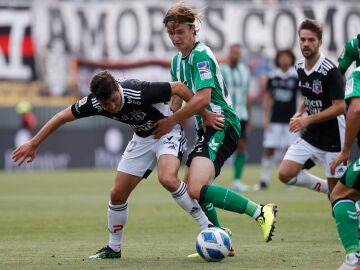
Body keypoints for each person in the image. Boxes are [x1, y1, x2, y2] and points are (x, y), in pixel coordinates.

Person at [12, 71, 222, 259]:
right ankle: (114, 249)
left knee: (166, 178)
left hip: (167, 131)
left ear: (117, 87)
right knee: (117, 194)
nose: (112, 107)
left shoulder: (138, 91)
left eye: (114, 100)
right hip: (141, 139)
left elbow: (178, 88)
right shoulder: (93, 103)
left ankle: (209, 227)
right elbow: (61, 116)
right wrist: (33, 143)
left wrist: (204, 115)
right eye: (106, 105)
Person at [153, 2, 277, 247]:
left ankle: (260, 212)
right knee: (192, 189)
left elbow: (203, 98)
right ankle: (221, 239)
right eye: (171, 33)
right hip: (206, 129)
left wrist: (170, 122)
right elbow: (175, 100)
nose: (175, 38)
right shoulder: (177, 62)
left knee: (196, 188)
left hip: (222, 124)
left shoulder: (201, 55)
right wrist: (154, 118)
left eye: (180, 32)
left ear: (192, 30)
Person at [278, 18, 347, 195]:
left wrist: (307, 119)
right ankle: (326, 188)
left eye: (311, 40)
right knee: (285, 174)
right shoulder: (300, 66)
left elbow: (340, 107)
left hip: (334, 137)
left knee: (338, 200)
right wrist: (299, 112)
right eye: (303, 39)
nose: (306, 44)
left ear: (320, 42)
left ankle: (338, 196)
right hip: (312, 134)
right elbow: (307, 93)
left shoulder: (330, 71)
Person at [254, 49, 300, 190]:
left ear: (291, 59)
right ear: (278, 59)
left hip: (292, 120)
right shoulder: (273, 76)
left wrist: (300, 115)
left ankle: (290, 180)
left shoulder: (296, 76)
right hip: (275, 119)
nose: (284, 59)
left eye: (287, 57)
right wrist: (266, 117)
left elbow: (303, 97)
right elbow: (268, 97)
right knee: (269, 148)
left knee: (291, 150)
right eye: (282, 57)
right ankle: (264, 179)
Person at [330, 67, 360, 270]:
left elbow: (356, 109)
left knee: (340, 195)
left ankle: (354, 259)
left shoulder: (357, 74)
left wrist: (346, 149)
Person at [220, 43, 252, 192]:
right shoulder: (222, 69)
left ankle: (237, 180)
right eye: (233, 52)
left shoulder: (245, 71)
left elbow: (247, 94)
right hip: (225, 114)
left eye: (238, 53)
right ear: (229, 53)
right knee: (219, 146)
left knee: (241, 146)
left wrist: (250, 116)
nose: (235, 55)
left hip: (242, 114)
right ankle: (211, 178)